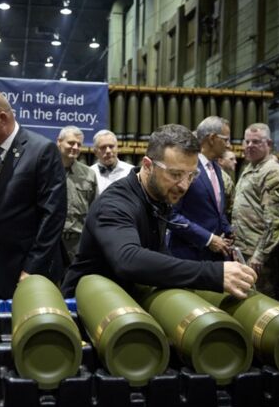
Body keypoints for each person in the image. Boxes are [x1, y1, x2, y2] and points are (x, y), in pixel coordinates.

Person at [61, 124, 257, 298]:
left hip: (125, 299)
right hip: (85, 308)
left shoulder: (158, 198)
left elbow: (158, 256)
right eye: (175, 174)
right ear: (148, 166)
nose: (184, 185)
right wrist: (214, 273)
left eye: (191, 176)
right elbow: (128, 259)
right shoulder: (114, 204)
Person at [0, 87, 66, 299]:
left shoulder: (41, 151)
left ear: (2, 118)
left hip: (23, 271)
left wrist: (32, 269)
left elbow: (52, 217)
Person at [232, 123, 279, 299]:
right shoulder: (250, 167)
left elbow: (275, 221)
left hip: (258, 254)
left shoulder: (271, 171)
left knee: (261, 301)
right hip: (244, 249)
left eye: (256, 142)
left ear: (268, 144)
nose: (249, 146)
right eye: (247, 141)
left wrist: (260, 255)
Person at [168, 116, 233, 262]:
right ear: (212, 138)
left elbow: (217, 210)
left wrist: (227, 229)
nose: (229, 145)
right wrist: (208, 239)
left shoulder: (216, 168)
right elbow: (171, 215)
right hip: (187, 256)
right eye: (226, 140)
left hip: (212, 257)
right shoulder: (185, 167)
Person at [57, 125, 97, 263]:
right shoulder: (46, 169)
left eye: (78, 144)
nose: (75, 147)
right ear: (59, 142)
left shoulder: (89, 174)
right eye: (71, 143)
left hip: (78, 243)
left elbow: (94, 211)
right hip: (52, 240)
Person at [90, 129, 133, 194]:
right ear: (95, 152)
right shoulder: (90, 173)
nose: (108, 151)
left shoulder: (131, 171)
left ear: (117, 148)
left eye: (111, 146)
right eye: (103, 147)